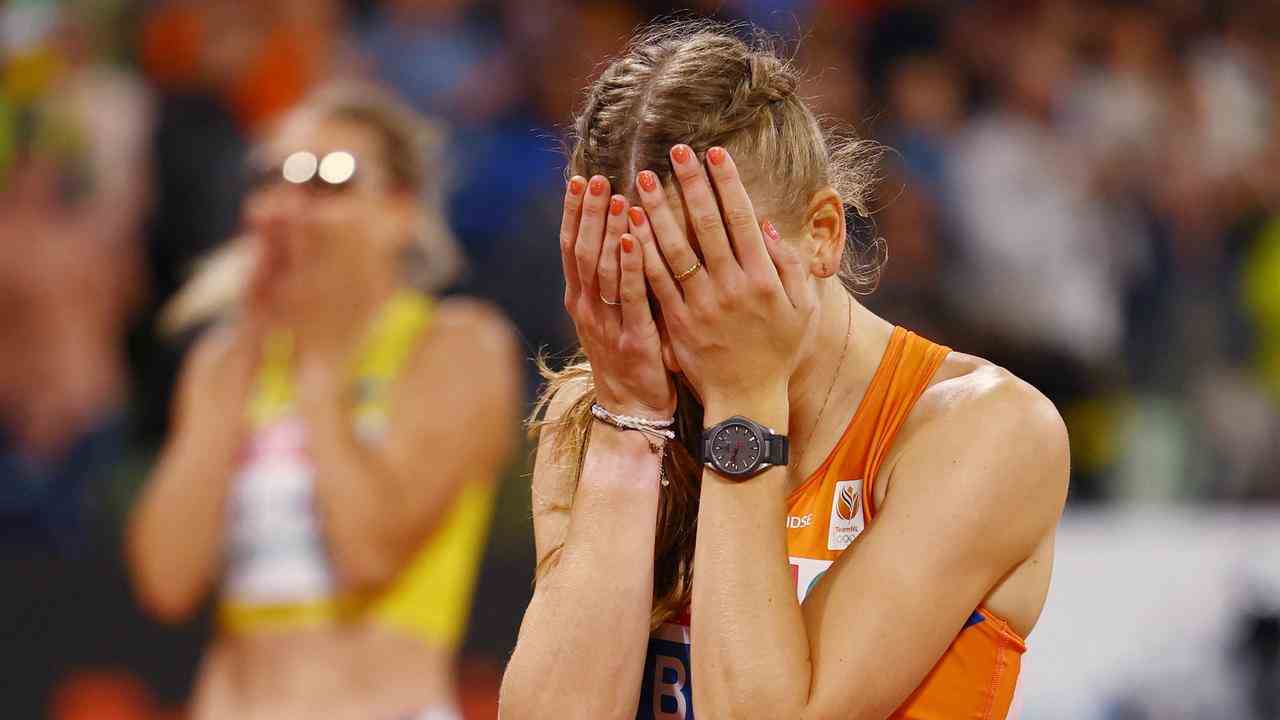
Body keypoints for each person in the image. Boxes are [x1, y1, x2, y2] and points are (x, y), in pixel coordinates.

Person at [500, 22, 1068, 720]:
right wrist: (627, 428)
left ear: (823, 235)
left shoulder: (984, 429)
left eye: (697, 271)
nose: (663, 324)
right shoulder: (606, 408)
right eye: (632, 282)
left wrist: (744, 406)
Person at [126, 84, 521, 720]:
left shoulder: (456, 345)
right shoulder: (222, 362)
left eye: (328, 181)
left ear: (399, 211)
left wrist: (317, 358)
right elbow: (166, 581)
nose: (289, 206)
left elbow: (367, 554)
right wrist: (251, 347)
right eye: (272, 178)